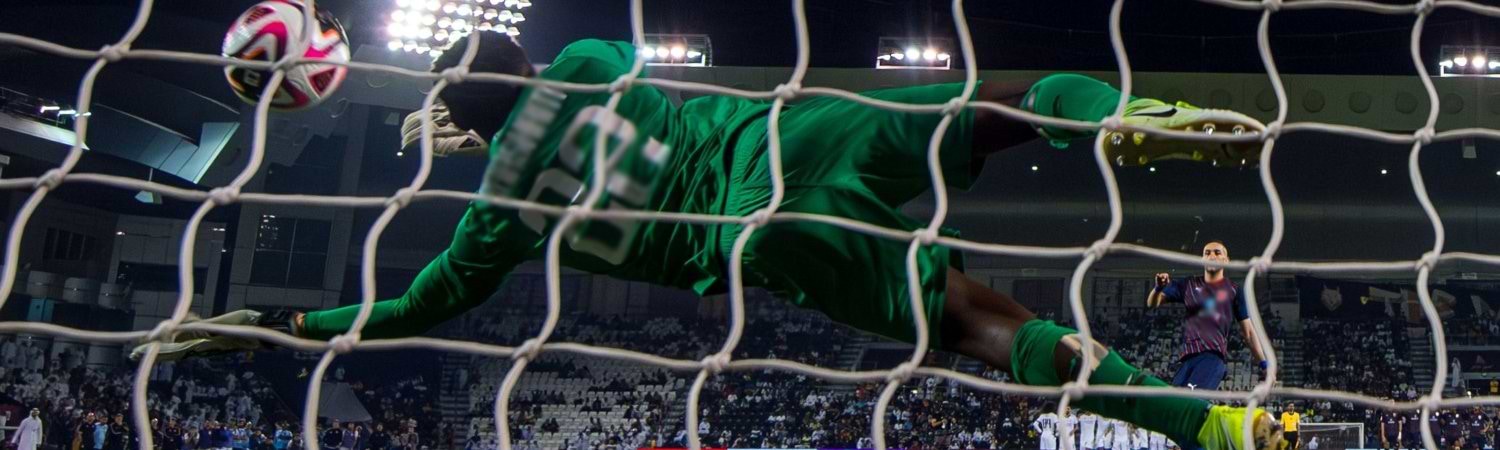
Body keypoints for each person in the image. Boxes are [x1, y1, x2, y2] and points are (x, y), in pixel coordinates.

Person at [138, 32, 1279, 450]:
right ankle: (1116, 116)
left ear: (466, 126)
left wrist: (287, 328)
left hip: (766, 235)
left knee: (982, 323)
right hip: (812, 132)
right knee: (992, 103)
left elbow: (415, 313)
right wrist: (485, 92)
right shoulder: (586, 64)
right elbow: (529, 79)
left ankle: (1207, 427)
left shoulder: (503, 213)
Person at [1147, 241, 1268, 390]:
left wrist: (1264, 364)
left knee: (1191, 404)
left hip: (1211, 359)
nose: (1211, 256)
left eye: (1217, 253)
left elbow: (1248, 332)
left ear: (1226, 260)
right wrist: (1158, 288)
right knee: (1175, 407)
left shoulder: (1234, 290)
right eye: (1207, 253)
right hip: (1187, 361)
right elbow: (1152, 303)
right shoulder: (1188, 285)